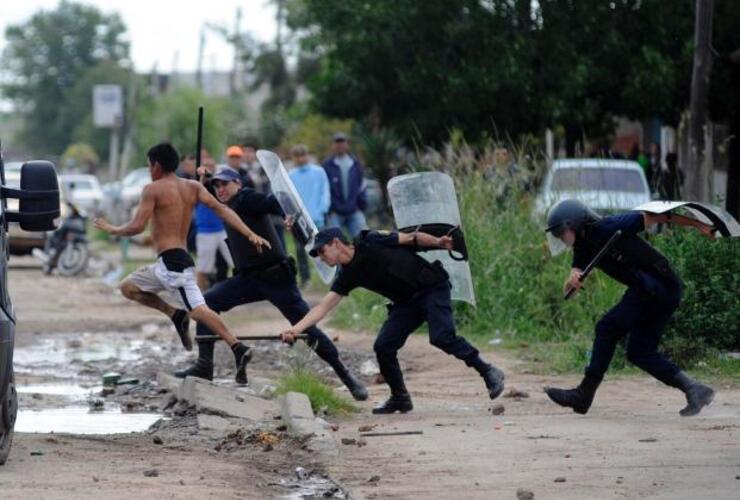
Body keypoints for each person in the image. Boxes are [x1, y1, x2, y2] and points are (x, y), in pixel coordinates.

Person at [173, 169, 367, 395]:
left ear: (238, 182)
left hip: (276, 278)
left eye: (224, 184)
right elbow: (198, 191)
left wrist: (287, 215)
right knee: (205, 305)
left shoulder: (247, 198)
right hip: (247, 279)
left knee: (307, 327)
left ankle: (346, 376)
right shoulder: (224, 204)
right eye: (216, 186)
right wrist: (201, 177)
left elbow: (274, 201)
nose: (220, 190)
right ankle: (205, 366)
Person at [93, 142, 270, 381]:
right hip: (165, 263)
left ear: (156, 165)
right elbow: (223, 210)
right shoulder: (192, 186)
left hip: (173, 264)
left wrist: (112, 229)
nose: (148, 170)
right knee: (128, 287)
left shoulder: (152, 189)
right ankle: (175, 314)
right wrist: (249, 233)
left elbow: (136, 226)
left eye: (148, 165)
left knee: (199, 310)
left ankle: (238, 347)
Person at [280, 227, 505, 414]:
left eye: (322, 251)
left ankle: (488, 371)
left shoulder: (370, 240)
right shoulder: (346, 275)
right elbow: (323, 307)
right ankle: (400, 398)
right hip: (406, 303)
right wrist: (295, 329)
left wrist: (438, 242)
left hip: (431, 288)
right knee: (383, 346)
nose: (321, 257)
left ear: (337, 243)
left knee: (441, 337)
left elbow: (412, 238)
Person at [543, 199, 716, 417]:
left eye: (561, 232)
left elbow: (657, 215)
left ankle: (584, 394)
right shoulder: (583, 245)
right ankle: (695, 389)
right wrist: (571, 281)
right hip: (652, 289)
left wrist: (697, 224)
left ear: (576, 224)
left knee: (607, 328)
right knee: (639, 352)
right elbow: (574, 275)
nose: (560, 237)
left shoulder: (610, 225)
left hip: (659, 284)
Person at [288, 144, 331, 285]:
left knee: (323, 247)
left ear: (308, 155)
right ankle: (306, 279)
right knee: (301, 250)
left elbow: (325, 192)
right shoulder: (291, 175)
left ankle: (330, 275)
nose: (301, 159)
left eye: (303, 155)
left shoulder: (319, 171)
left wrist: (323, 209)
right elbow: (289, 197)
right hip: (299, 220)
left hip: (317, 217)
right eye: (297, 156)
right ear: (293, 158)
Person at [194, 157, 234, 290]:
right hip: (205, 231)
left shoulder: (218, 185)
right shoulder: (198, 185)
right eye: (206, 165)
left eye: (211, 165)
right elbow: (201, 186)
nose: (209, 168)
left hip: (222, 229)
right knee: (204, 266)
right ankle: (199, 294)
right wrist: (202, 175)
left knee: (235, 260)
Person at [322, 133, 368, 236]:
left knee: (364, 240)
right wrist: (329, 209)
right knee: (335, 243)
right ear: (333, 145)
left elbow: (362, 186)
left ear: (347, 144)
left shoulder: (356, 164)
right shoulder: (326, 165)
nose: (340, 145)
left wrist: (362, 204)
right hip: (334, 212)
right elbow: (323, 189)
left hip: (354, 210)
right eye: (337, 142)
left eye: (342, 142)